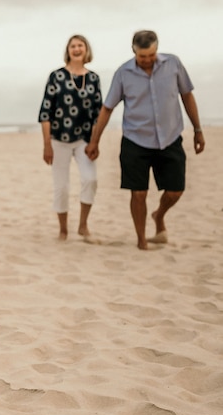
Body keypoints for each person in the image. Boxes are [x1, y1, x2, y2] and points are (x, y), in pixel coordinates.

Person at [85, 30, 205, 250]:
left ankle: (159, 216)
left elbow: (187, 95)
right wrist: (95, 141)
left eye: (151, 55)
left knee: (175, 191)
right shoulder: (123, 73)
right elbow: (107, 108)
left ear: (156, 49)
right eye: (142, 57)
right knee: (138, 193)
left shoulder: (173, 64)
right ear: (134, 51)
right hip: (135, 140)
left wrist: (198, 129)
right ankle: (141, 240)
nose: (147, 60)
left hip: (170, 138)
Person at [38, 35, 103, 242]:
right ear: (68, 50)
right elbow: (45, 112)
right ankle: (63, 229)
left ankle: (83, 226)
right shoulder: (56, 76)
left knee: (90, 179)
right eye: (73, 46)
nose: (76, 49)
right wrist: (47, 144)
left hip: (84, 139)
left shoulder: (93, 78)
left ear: (86, 50)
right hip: (58, 139)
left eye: (80, 45)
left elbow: (98, 114)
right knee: (62, 186)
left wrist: (95, 142)